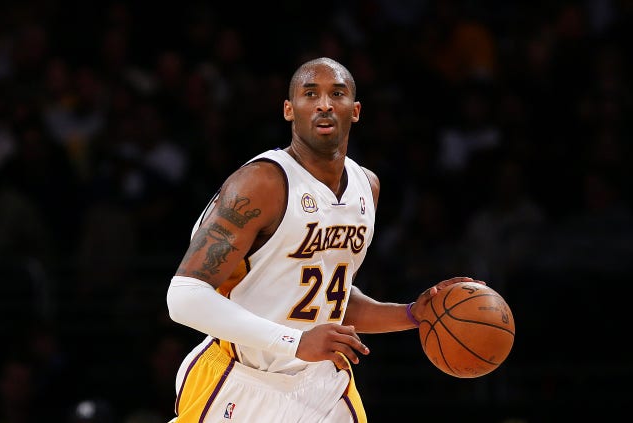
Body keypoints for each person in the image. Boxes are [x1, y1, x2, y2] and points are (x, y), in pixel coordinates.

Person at [165, 57, 482, 422]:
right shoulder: (261, 184)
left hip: (323, 385)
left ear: (356, 110)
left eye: (337, 93)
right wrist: (296, 342)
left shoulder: (367, 187)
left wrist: (412, 314)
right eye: (310, 93)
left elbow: (331, 298)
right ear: (289, 109)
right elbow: (184, 297)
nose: (325, 104)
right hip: (241, 379)